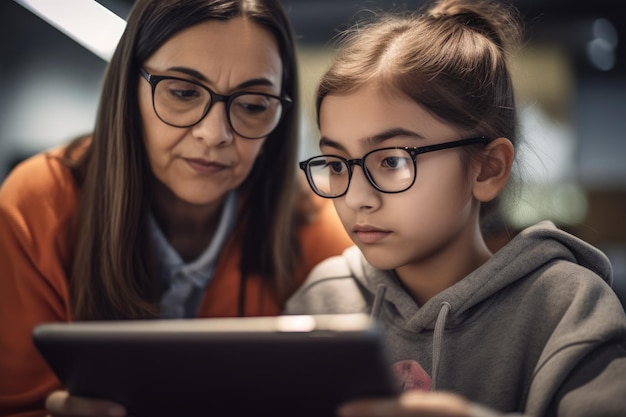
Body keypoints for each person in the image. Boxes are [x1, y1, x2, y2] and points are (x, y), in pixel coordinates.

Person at [0, 1, 353, 416]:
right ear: (128, 88)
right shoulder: (37, 206)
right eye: (183, 92)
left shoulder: (313, 226)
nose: (214, 133)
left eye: (253, 104)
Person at [286, 0, 626, 416]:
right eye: (338, 165)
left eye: (392, 161)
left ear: (487, 168)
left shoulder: (566, 305)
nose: (356, 197)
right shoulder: (322, 299)